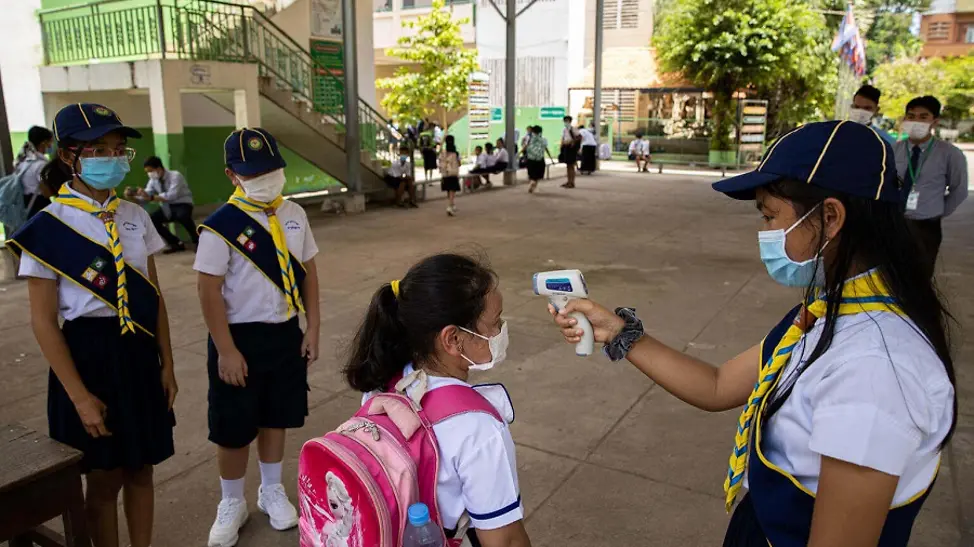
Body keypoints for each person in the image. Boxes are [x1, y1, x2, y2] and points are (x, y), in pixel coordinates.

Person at [551, 120, 955, 547]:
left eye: (770, 215)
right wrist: (618, 332)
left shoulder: (874, 372)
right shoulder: (829, 312)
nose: (764, 233)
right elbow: (719, 384)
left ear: (830, 217)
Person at [8, 103, 177, 547]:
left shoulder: (135, 216)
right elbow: (43, 322)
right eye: (99, 149)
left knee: (142, 468)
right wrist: (79, 397)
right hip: (87, 357)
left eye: (118, 149)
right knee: (103, 479)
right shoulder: (48, 227)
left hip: (139, 351)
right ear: (69, 156)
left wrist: (167, 364)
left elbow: (153, 297)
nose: (113, 158)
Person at [344, 253, 532, 547]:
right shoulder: (478, 428)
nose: (500, 331)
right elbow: (504, 540)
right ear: (453, 339)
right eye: (495, 323)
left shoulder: (384, 387)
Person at [195, 127, 321, 547]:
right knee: (232, 425)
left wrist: (313, 327)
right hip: (238, 339)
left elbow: (309, 273)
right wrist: (226, 349)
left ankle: (271, 489)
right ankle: (232, 500)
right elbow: (208, 290)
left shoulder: (294, 214)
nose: (265, 178)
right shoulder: (220, 226)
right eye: (253, 173)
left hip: (284, 333)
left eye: (271, 169)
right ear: (232, 175)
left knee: (276, 415)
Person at [893, 96, 968, 279]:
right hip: (895, 222)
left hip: (926, 226)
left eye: (923, 117)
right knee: (892, 275)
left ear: (935, 121)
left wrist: (937, 210)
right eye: (911, 116)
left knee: (920, 276)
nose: (916, 121)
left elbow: (959, 190)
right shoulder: (894, 150)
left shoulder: (950, 154)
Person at [124, 156, 198, 254]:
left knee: (182, 216)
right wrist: (134, 197)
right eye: (147, 172)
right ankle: (176, 243)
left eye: (150, 171)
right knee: (152, 219)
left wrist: (151, 197)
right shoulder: (153, 181)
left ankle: (197, 241)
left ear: (159, 168)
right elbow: (146, 197)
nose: (149, 174)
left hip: (182, 204)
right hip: (167, 207)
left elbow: (172, 195)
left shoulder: (175, 176)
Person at [14, 125, 55, 219]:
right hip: (39, 205)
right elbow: (46, 191)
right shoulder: (41, 165)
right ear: (44, 143)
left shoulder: (24, 161)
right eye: (50, 142)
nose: (51, 145)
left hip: (26, 204)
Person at [439, 135, 462, 216]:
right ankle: (450, 206)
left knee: (448, 189)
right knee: (452, 190)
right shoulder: (456, 153)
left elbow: (440, 162)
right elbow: (459, 164)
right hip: (453, 173)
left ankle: (452, 204)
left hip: (445, 173)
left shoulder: (443, 152)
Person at [525, 126, 551, 194]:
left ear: (533, 132)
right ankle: (534, 185)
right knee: (537, 175)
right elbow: (545, 148)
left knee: (531, 174)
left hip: (531, 159)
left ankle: (532, 183)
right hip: (540, 160)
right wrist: (550, 157)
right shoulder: (544, 139)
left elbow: (525, 147)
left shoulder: (529, 138)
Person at [559, 115, 581, 188]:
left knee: (571, 166)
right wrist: (561, 146)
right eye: (565, 121)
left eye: (567, 121)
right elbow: (562, 138)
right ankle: (568, 181)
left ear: (570, 121)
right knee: (568, 166)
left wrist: (572, 142)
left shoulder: (573, 129)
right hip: (566, 147)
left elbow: (579, 137)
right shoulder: (564, 129)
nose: (566, 122)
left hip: (571, 148)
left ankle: (572, 182)